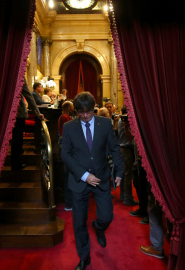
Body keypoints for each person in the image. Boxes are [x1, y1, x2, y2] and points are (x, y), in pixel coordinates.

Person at [61, 92, 124, 270]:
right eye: (81, 113)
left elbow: (114, 148)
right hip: (79, 181)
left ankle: (98, 227)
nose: (85, 116)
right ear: (76, 111)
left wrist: (119, 171)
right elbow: (65, 154)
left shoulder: (105, 124)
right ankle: (84, 258)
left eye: (88, 112)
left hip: (102, 178)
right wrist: (83, 175)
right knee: (79, 222)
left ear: (93, 108)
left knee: (106, 216)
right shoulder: (69, 127)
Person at [11, 78, 45, 170]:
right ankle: (16, 164)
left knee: (14, 139)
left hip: (7, 112)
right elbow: (28, 95)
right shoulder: (19, 74)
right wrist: (37, 113)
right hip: (18, 112)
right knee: (17, 139)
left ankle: (14, 162)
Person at [117, 106, 139, 206]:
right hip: (126, 149)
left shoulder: (121, 120)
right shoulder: (125, 122)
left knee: (124, 173)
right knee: (127, 174)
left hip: (123, 149)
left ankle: (123, 195)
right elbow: (130, 138)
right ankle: (128, 198)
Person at [58, 101, 75, 211]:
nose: (74, 108)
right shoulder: (65, 118)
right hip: (68, 149)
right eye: (73, 107)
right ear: (68, 108)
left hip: (64, 148)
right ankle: (69, 203)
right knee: (69, 176)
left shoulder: (61, 117)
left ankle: (69, 202)